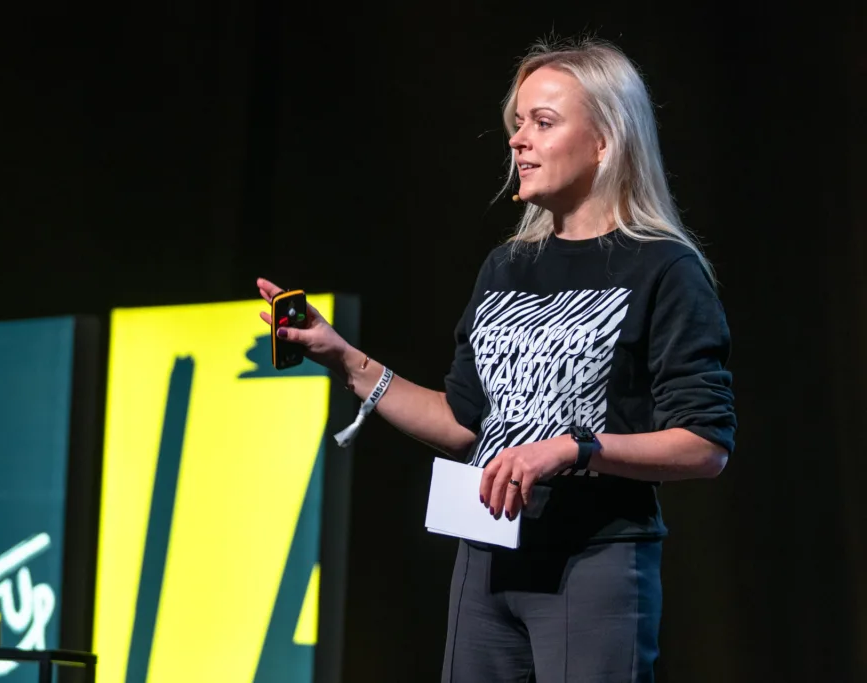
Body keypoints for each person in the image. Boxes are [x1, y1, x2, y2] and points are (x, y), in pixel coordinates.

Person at [256, 37, 735, 683]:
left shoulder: (663, 268)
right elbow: (463, 421)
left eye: (543, 122)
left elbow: (704, 445)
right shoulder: (507, 265)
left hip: (591, 559)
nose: (518, 140)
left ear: (605, 140)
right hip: (485, 554)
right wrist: (344, 359)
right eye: (517, 122)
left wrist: (572, 447)